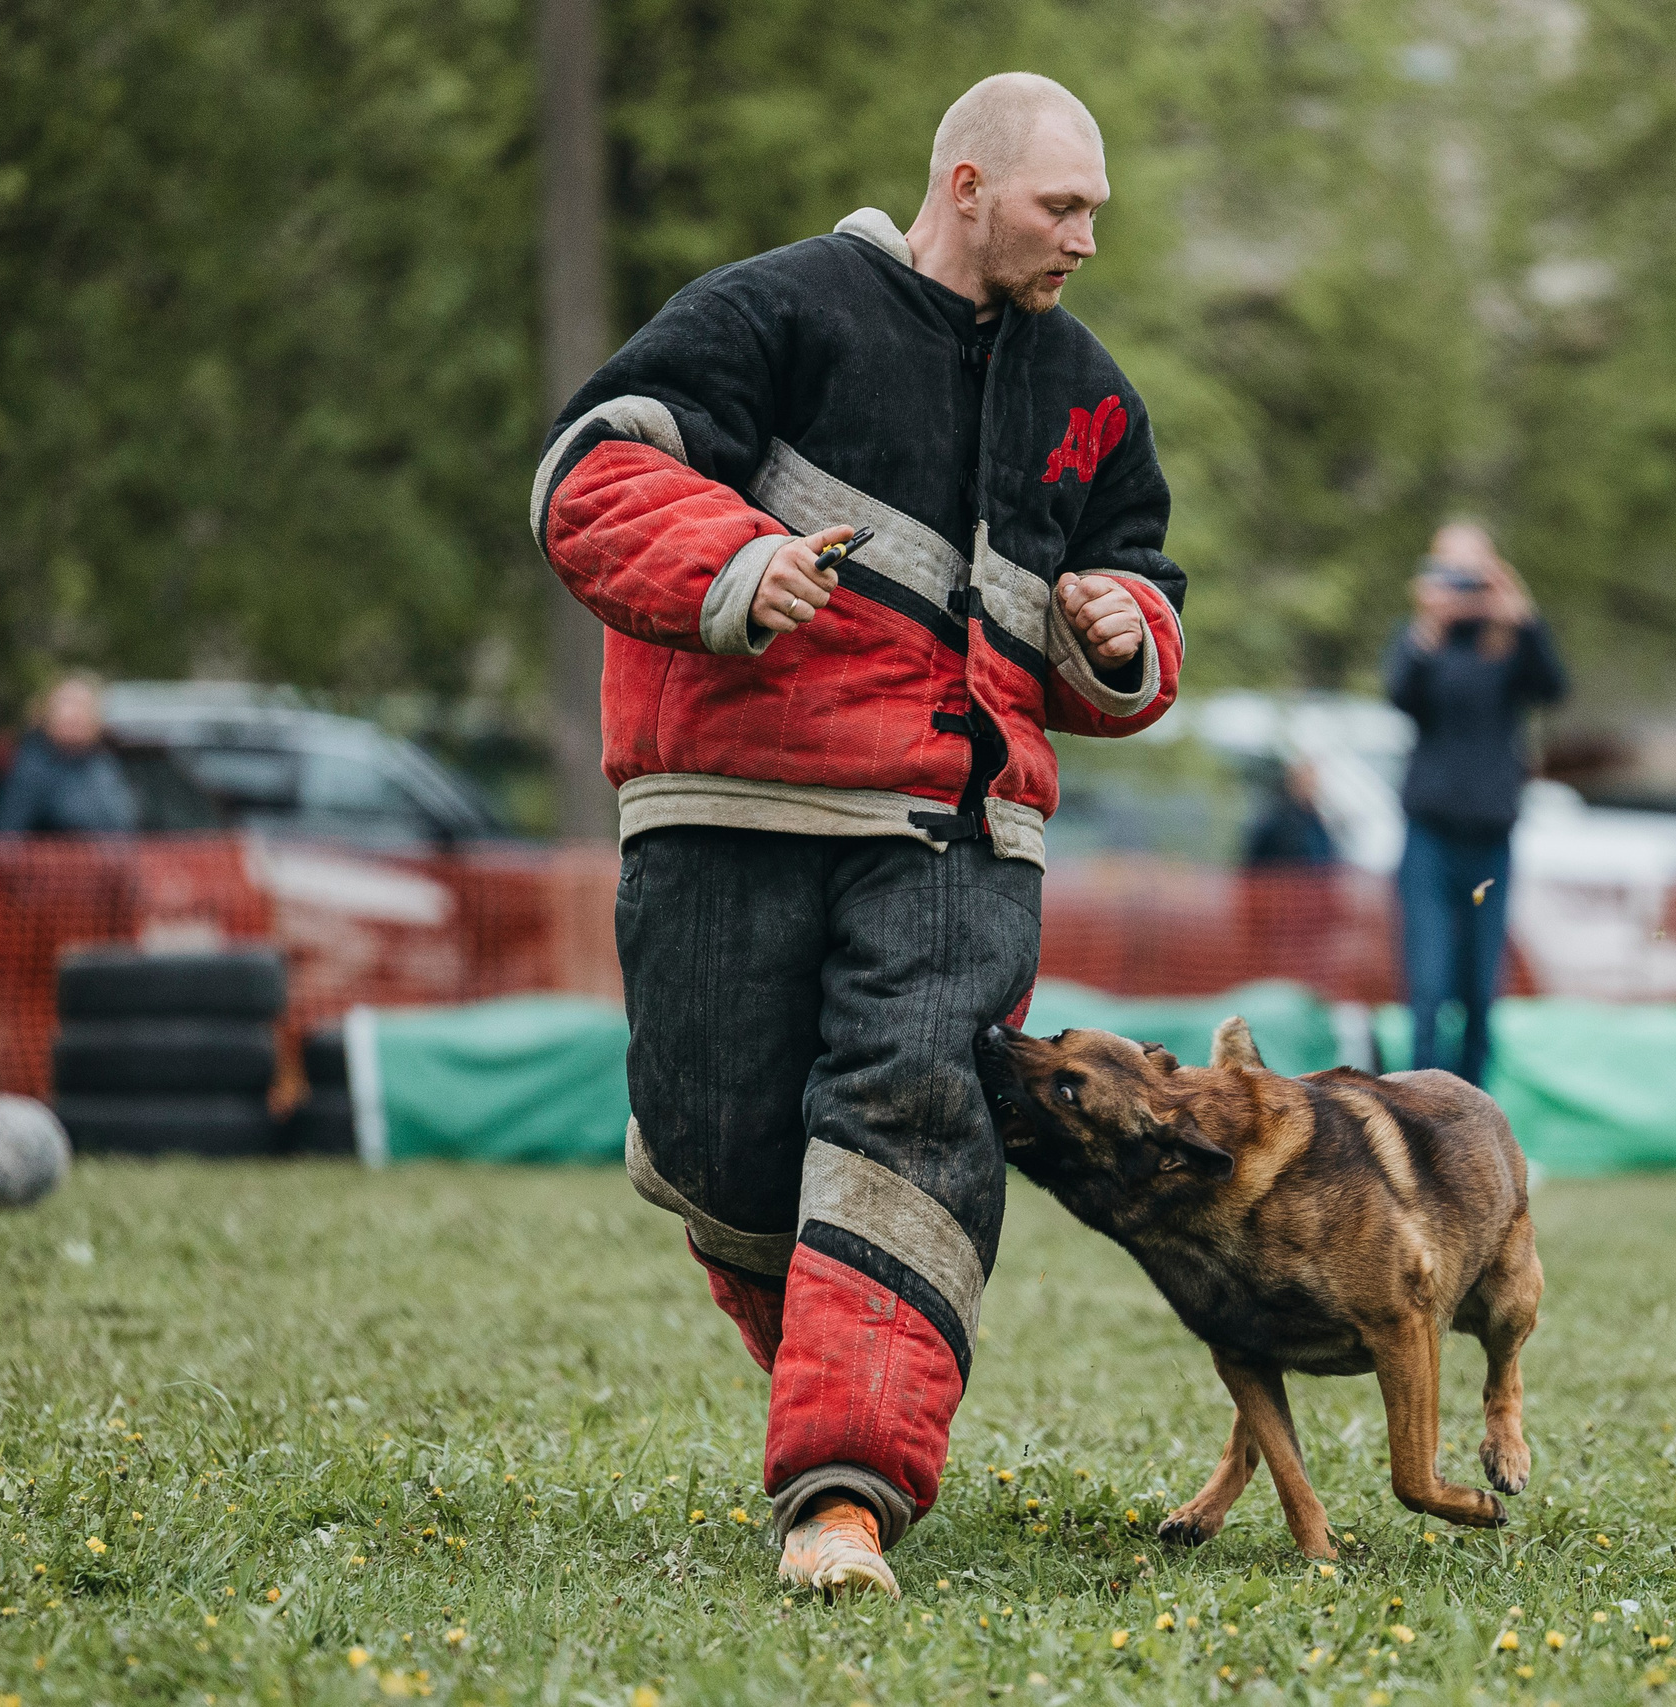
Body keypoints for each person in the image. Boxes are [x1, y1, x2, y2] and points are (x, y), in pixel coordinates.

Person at [534, 73, 1185, 1597]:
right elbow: (592, 476)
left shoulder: (1089, 391)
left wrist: (1116, 626)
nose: (1088, 237)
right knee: (725, 1148)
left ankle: (846, 1496)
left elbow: (1141, 588)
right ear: (963, 185)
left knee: (910, 1127)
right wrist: (738, 564)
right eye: (1061, 205)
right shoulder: (772, 311)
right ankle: (842, 1377)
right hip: (725, 814)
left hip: (964, 838)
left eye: (1096, 208)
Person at [1384, 519, 1566, 1085]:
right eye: (1451, 572)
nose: (1463, 587)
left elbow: (1555, 689)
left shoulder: (1511, 644)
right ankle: (1417, 1126)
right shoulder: (1423, 642)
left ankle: (1473, 1125)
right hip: (1430, 836)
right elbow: (1399, 695)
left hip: (1491, 837)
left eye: (1474, 573)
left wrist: (1523, 619)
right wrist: (1428, 626)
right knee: (1429, 987)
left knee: (1482, 991)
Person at [0, 674, 138, 834]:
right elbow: (7, 835)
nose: (73, 714)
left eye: (81, 706)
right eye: (66, 705)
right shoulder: (31, 768)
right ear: (48, 715)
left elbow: (122, 824)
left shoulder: (104, 766)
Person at [1242, 757, 1337, 868]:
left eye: (1312, 783)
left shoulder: (1317, 823)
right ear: (1292, 782)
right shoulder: (1274, 821)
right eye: (1305, 782)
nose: (1310, 788)